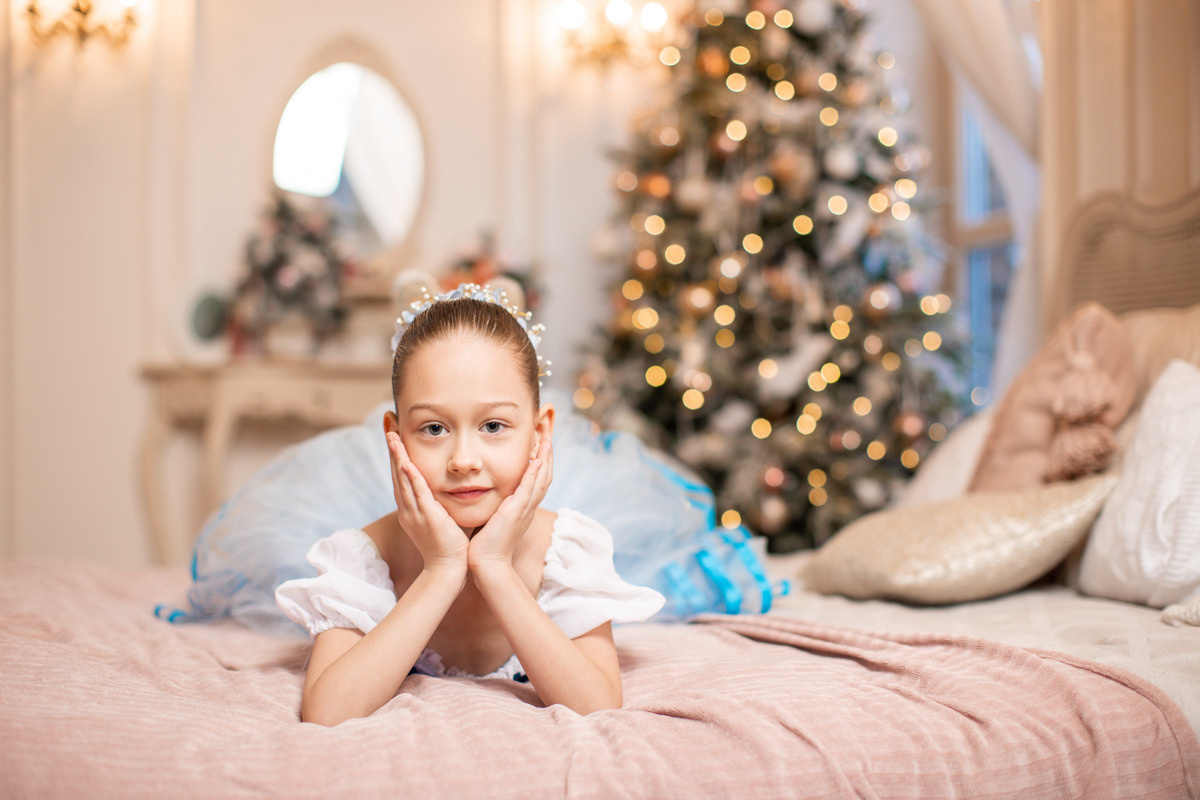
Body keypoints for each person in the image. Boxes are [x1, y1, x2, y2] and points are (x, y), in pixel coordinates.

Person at [275, 284, 665, 726]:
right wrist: (441, 569)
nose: (463, 460)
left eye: (493, 425)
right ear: (395, 435)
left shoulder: (568, 552)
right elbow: (328, 713)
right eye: (434, 429)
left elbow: (597, 705)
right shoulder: (366, 558)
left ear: (540, 434)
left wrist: (495, 565)